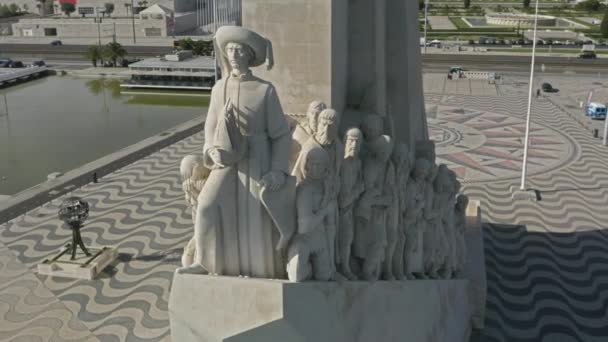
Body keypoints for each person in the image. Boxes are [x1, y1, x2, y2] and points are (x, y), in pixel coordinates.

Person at [178, 26, 292, 279]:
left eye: (240, 50)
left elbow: (281, 134)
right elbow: (210, 126)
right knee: (207, 205)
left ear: (250, 56)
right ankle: (205, 262)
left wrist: (277, 170)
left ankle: (262, 270)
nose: (234, 54)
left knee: (255, 218)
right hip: (227, 160)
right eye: (230, 49)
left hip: (257, 159)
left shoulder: (265, 90)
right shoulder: (219, 88)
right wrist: (211, 151)